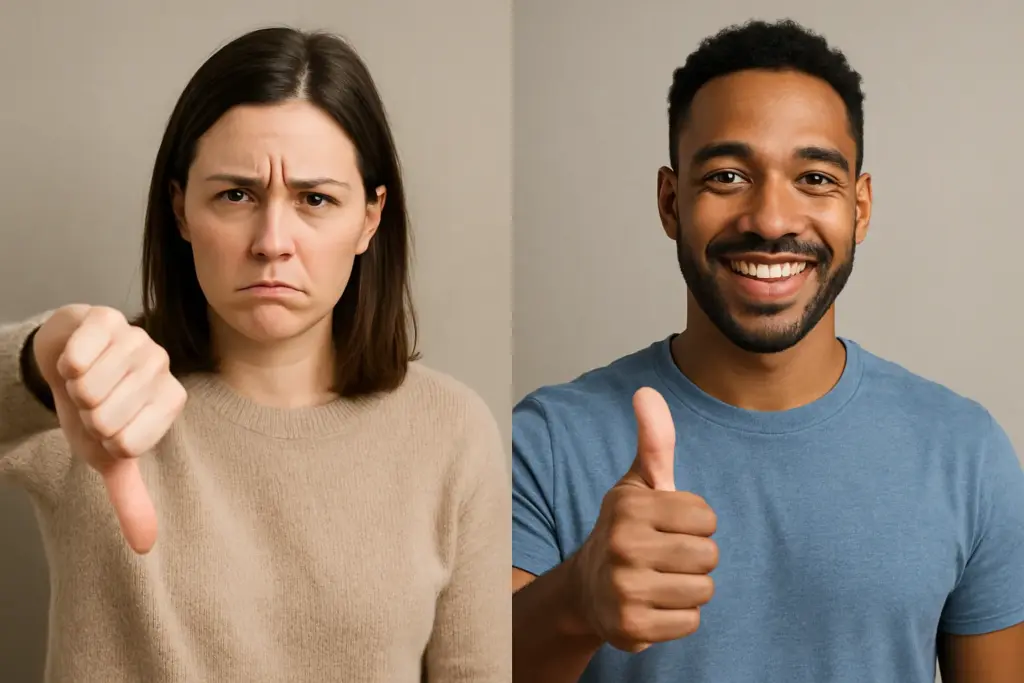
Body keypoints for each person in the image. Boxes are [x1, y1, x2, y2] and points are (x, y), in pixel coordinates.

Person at [511, 18, 1024, 683]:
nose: (773, 220)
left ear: (860, 208)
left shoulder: (967, 453)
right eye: (727, 175)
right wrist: (577, 598)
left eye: (815, 178)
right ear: (671, 202)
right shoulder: (545, 443)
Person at [0, 27, 509, 683]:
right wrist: (39, 358)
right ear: (181, 208)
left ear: (370, 219)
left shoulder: (452, 430)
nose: (273, 241)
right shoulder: (92, 391)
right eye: (235, 194)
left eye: (315, 199)